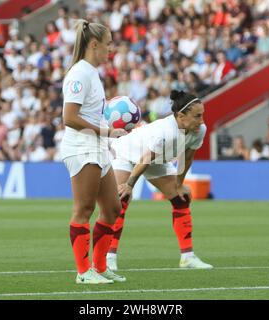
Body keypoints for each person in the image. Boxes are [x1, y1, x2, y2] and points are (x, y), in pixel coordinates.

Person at [107, 90, 213, 271]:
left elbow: (187, 158)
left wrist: (179, 185)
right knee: (121, 199)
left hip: (155, 159)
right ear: (181, 116)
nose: (202, 120)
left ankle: (187, 258)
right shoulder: (166, 132)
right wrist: (130, 185)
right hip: (127, 153)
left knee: (181, 198)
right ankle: (109, 258)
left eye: (202, 115)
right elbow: (144, 159)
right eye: (197, 116)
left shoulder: (198, 130)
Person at [60, 20, 127, 284]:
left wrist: (105, 134)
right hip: (81, 147)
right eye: (108, 43)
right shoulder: (78, 74)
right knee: (84, 209)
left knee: (112, 207)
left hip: (97, 145)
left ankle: (99, 267)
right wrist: (106, 133)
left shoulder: (92, 73)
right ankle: (83, 272)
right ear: (94, 44)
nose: (111, 49)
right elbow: (70, 117)